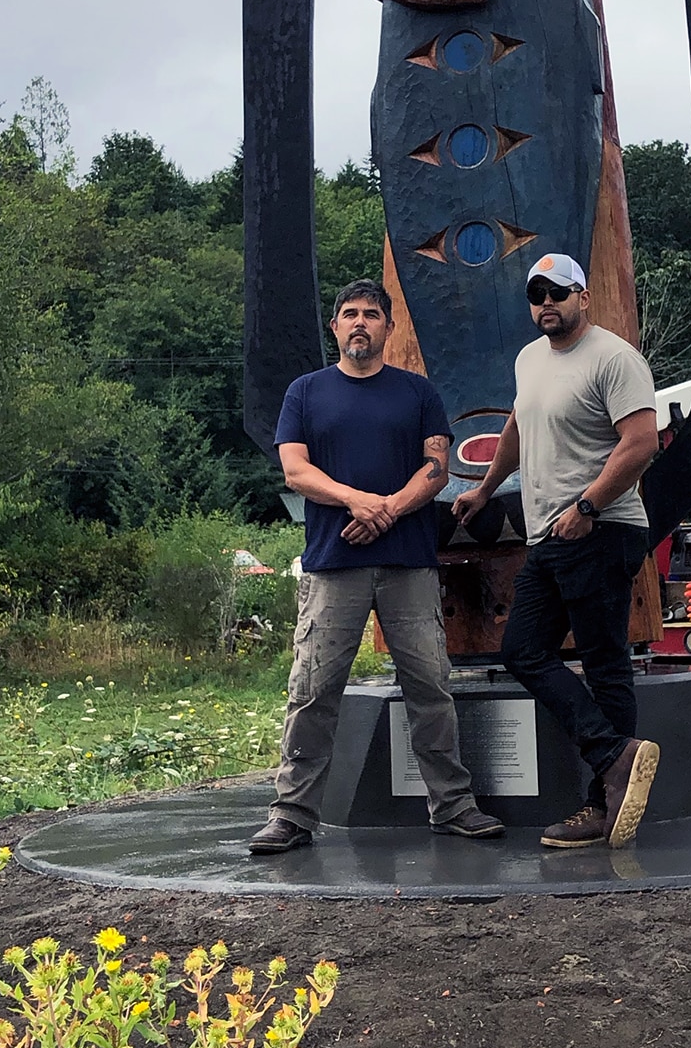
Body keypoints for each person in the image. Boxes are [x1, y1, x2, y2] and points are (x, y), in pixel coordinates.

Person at [249, 279, 505, 854]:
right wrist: (353, 499)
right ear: (335, 327)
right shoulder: (305, 393)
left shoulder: (417, 394)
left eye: (371, 314)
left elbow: (436, 469)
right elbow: (295, 471)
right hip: (332, 564)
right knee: (313, 690)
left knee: (431, 685)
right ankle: (292, 813)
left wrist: (384, 511)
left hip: (407, 564)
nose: (359, 322)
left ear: (389, 327)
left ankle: (454, 806)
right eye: (349, 314)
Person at [451, 253, 662, 848]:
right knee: (522, 650)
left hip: (602, 528)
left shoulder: (615, 359)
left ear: (583, 297)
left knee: (604, 663)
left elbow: (641, 441)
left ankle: (604, 804)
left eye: (558, 293)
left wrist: (589, 506)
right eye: (536, 294)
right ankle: (615, 756)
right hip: (549, 533)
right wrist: (487, 488)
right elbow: (518, 426)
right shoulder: (528, 360)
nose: (546, 303)